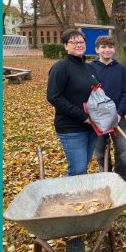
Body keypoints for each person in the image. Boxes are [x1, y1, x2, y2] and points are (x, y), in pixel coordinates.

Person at [47, 29, 100, 177]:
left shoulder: (89, 67)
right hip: (71, 128)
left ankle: (78, 197)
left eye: (81, 42)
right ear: (65, 46)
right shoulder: (60, 68)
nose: (78, 45)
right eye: (73, 42)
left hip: (91, 126)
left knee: (83, 167)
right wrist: (83, 116)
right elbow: (54, 96)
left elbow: (94, 94)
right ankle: (72, 199)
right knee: (77, 170)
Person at [90, 36, 126, 181]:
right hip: (98, 119)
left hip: (117, 118)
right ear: (97, 49)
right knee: (100, 151)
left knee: (123, 150)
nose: (107, 50)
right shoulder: (90, 68)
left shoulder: (121, 69)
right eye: (103, 47)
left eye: (110, 47)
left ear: (114, 49)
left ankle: (122, 179)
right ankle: (105, 177)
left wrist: (119, 114)